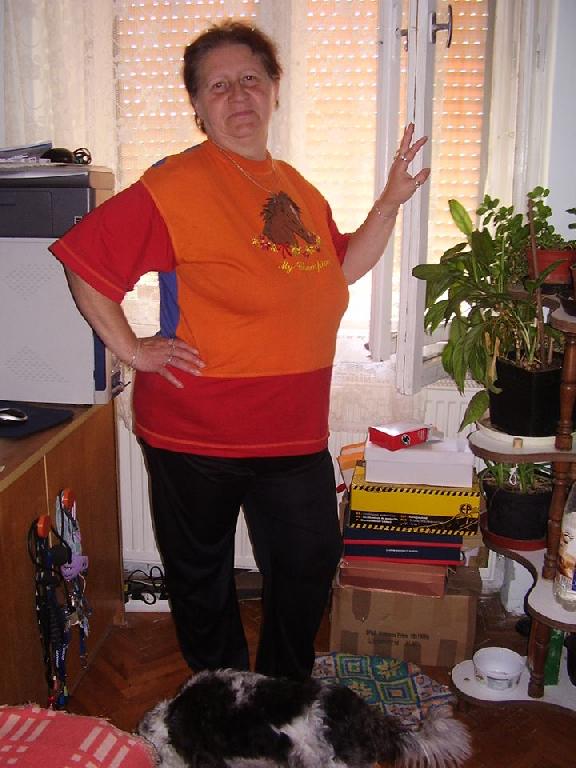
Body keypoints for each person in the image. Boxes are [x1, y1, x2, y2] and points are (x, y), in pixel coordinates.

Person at [50, 20, 430, 681]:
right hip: (196, 432)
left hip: (293, 431)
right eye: (218, 85)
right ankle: (222, 696)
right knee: (201, 577)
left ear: (275, 88)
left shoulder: (295, 187)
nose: (238, 95)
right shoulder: (175, 185)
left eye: (250, 78)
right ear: (198, 106)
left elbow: (340, 269)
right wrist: (133, 349)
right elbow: (85, 263)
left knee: (309, 559)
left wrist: (391, 202)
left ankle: (281, 690)